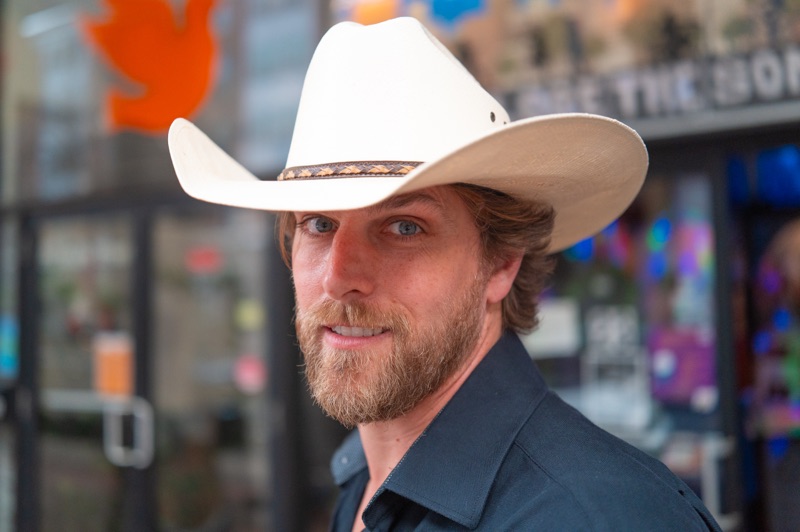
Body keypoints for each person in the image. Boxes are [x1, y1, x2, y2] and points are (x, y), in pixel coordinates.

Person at [168, 16, 722, 532]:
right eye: (317, 223)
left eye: (404, 227)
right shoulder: (364, 482)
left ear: (501, 262)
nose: (339, 277)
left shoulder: (597, 516)